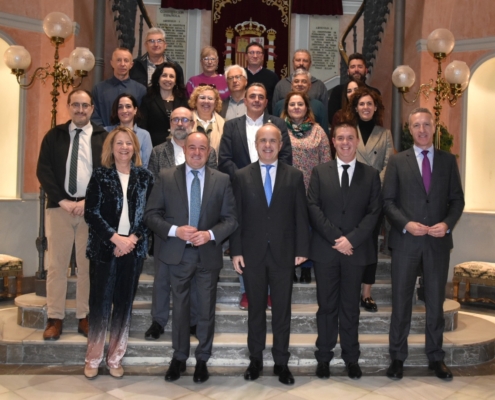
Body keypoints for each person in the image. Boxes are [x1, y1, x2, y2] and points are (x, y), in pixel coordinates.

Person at [144, 131, 237, 383]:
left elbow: (231, 220)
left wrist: (209, 234)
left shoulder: (222, 180)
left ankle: (202, 359)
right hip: (177, 254)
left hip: (207, 255)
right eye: (192, 147)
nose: (197, 152)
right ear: (184, 149)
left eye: (202, 148)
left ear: (209, 152)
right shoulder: (165, 177)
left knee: (206, 311)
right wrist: (175, 231)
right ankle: (179, 358)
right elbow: (151, 215)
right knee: (181, 309)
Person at [384, 108, 464, 381]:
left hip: (437, 243)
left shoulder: (447, 160)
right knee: (401, 301)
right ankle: (397, 357)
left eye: (426, 124)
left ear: (434, 127)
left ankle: (435, 357)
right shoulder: (397, 162)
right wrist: (406, 224)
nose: (421, 129)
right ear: (410, 129)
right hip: (406, 241)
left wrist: (447, 223)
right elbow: (388, 202)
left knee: (435, 301)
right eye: (416, 125)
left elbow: (457, 200)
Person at [231, 123, 310, 385]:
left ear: (281, 144)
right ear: (256, 144)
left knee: (282, 312)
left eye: (272, 141)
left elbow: (301, 215)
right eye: (262, 140)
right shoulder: (241, 176)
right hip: (252, 254)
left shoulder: (294, 176)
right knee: (255, 311)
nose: (267, 145)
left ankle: (281, 362)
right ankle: (255, 361)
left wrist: (301, 249)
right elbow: (236, 217)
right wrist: (236, 251)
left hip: (284, 255)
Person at [308, 122, 382, 380]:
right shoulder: (319, 172)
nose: (346, 142)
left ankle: (351, 358)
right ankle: (324, 358)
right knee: (326, 306)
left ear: (357, 141)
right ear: (333, 141)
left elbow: (374, 213)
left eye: (351, 138)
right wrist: (337, 238)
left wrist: (351, 239)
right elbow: (313, 207)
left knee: (350, 307)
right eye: (341, 138)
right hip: (326, 251)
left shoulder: (371, 174)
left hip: (356, 251)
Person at [36, 89, 108, 341]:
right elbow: (43, 170)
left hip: (92, 211)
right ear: (68, 106)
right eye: (75, 105)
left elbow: (107, 174)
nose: (80, 109)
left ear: (92, 108)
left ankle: (83, 316)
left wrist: (89, 202)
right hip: (60, 209)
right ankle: (55, 317)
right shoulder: (54, 136)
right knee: (56, 266)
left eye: (85, 105)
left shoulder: (102, 137)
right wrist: (63, 200)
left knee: (88, 266)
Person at [83, 126, 154, 380]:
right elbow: (91, 212)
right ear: (111, 148)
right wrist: (115, 238)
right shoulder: (101, 175)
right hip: (105, 248)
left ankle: (114, 358)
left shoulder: (145, 178)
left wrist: (132, 239)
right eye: (119, 143)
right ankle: (93, 358)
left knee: (123, 304)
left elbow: (150, 214)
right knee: (100, 304)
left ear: (135, 147)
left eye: (128, 143)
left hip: (133, 251)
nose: (124, 147)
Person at [144, 107, 217, 341]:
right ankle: (158, 321)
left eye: (185, 119)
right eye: (176, 119)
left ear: (192, 123)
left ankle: (194, 322)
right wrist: (171, 228)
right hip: (168, 229)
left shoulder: (207, 151)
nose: (180, 123)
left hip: (197, 229)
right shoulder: (158, 152)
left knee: (194, 283)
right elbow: (154, 190)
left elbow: (211, 188)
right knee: (162, 280)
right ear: (170, 123)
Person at [218, 83, 292, 310]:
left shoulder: (279, 124)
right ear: (245, 100)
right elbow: (225, 159)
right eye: (253, 96)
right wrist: (246, 176)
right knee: (247, 240)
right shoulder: (231, 126)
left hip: (273, 190)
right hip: (244, 190)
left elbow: (287, 156)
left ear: (266, 101)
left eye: (261, 96)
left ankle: (269, 292)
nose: (257, 100)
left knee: (272, 239)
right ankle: (247, 291)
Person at [345, 87, 395, 312]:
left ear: (376, 108)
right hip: (349, 196)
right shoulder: (347, 131)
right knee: (350, 242)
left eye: (370, 104)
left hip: (375, 198)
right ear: (355, 107)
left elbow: (388, 164)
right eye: (362, 104)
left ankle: (367, 292)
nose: (366, 107)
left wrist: (373, 185)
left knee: (369, 247)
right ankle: (349, 289)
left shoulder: (384, 134)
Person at [280, 91, 331, 283]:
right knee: (288, 227)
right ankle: (290, 264)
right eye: (292, 104)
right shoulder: (279, 130)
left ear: (306, 107)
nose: (296, 108)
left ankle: (307, 266)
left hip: (312, 187)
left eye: (300, 104)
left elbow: (326, 160)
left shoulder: (318, 131)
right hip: (286, 187)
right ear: (286, 108)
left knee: (309, 228)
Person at [91, 47, 147, 127]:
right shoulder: (99, 89)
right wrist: (104, 134)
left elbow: (143, 118)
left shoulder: (141, 90)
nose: (122, 64)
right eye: (118, 60)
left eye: (126, 61)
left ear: (131, 65)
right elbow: (94, 117)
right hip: (105, 137)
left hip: (132, 137)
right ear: (112, 63)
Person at [140, 62, 189, 147]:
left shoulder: (183, 100)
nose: (168, 79)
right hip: (154, 146)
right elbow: (143, 127)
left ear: (176, 81)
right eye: (164, 75)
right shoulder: (148, 99)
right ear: (158, 79)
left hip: (179, 145)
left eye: (171, 76)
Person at [273, 69, 329, 137]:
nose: (300, 84)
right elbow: (274, 130)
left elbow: (325, 134)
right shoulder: (279, 105)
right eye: (296, 81)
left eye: (304, 81)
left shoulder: (319, 106)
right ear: (291, 85)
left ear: (309, 86)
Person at [328, 53, 381, 124]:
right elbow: (332, 119)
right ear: (348, 71)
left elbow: (378, 118)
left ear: (366, 70)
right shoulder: (337, 91)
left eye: (360, 66)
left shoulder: (374, 93)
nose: (356, 70)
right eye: (353, 67)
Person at [105, 93, 153, 168]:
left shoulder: (144, 135)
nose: (124, 110)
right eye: (120, 107)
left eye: (128, 106)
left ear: (135, 110)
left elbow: (147, 165)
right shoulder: (106, 132)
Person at [188, 85, 225, 158]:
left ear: (216, 102)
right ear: (195, 101)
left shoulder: (225, 124)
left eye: (210, 98)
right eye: (202, 98)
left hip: (217, 167)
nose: (206, 101)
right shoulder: (185, 120)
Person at [244, 42, 279, 114]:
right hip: (242, 116)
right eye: (251, 53)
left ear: (263, 56)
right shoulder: (240, 75)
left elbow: (275, 102)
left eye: (258, 53)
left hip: (266, 118)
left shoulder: (272, 77)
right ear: (246, 56)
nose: (255, 56)